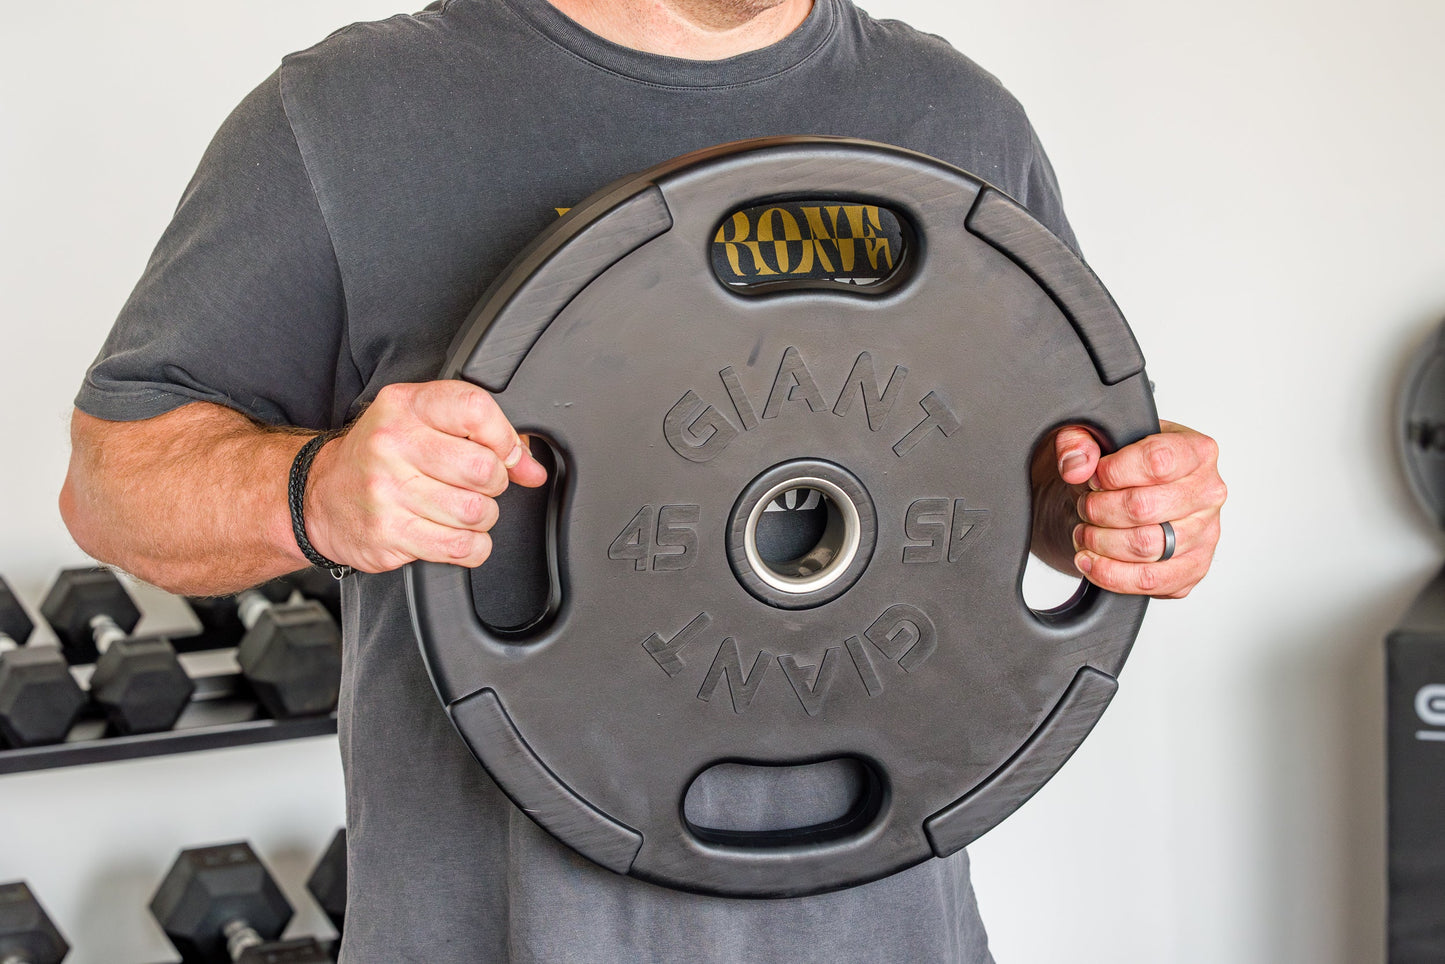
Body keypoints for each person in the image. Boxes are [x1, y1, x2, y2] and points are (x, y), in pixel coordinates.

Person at [58, 0, 1226, 960]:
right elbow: (111, 484)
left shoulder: (957, 121)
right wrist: (315, 492)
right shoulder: (344, 120)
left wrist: (1123, 514)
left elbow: (1036, 464)